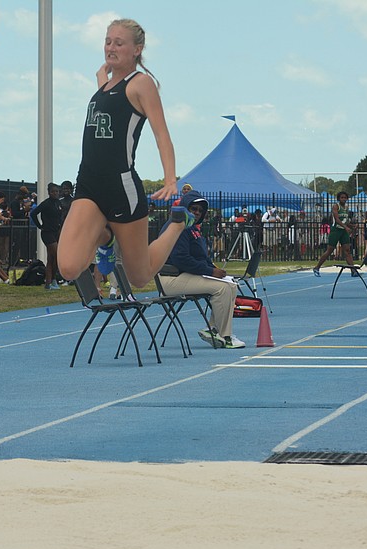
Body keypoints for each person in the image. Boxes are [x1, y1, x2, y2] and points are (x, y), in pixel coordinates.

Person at [57, 18, 193, 290]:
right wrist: (102, 77)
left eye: (119, 43)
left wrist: (170, 180)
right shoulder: (103, 87)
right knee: (69, 267)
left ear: (137, 49)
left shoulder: (141, 84)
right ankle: (106, 237)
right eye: (108, 41)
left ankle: (177, 225)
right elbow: (107, 98)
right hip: (88, 184)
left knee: (139, 277)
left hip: (121, 188)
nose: (111, 47)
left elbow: (161, 134)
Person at [158, 190, 244, 349]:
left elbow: (200, 257)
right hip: (170, 279)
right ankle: (224, 336)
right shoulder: (177, 226)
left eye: (200, 210)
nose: (197, 213)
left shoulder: (190, 227)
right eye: (194, 209)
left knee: (231, 285)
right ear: (185, 207)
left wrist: (213, 269)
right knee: (222, 289)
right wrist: (210, 272)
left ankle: (214, 329)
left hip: (183, 275)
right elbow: (181, 259)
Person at [312, 192, 356, 277]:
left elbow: (345, 220)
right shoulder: (336, 206)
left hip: (343, 231)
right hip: (336, 230)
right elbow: (337, 219)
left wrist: (351, 225)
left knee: (347, 250)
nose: (343, 199)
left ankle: (353, 270)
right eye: (342, 197)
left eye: (345, 197)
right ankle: (317, 267)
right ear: (339, 198)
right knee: (330, 250)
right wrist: (346, 227)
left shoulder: (346, 208)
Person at [31, 183, 63, 290]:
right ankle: (53, 279)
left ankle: (49, 282)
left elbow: (60, 217)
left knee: (51, 258)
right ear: (49, 192)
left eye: (57, 191)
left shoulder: (58, 203)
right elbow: (33, 213)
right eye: (53, 191)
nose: (55, 193)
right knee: (57, 254)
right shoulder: (46, 204)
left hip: (56, 232)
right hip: (47, 233)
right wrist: (40, 225)